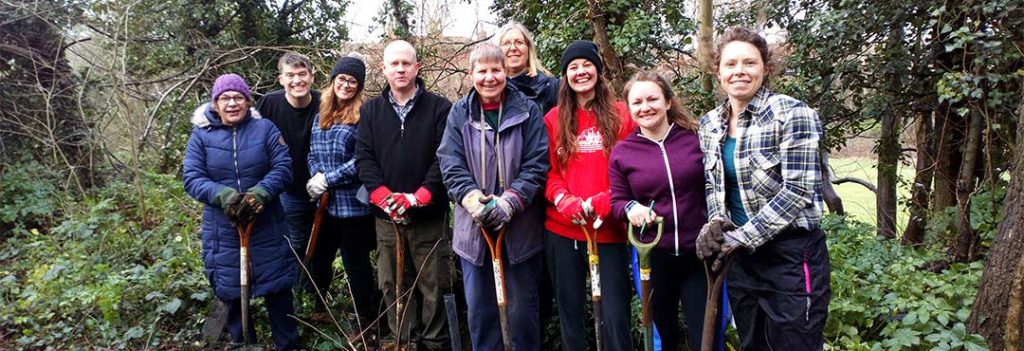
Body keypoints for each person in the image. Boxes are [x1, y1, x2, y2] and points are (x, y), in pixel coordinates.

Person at [696, 27, 831, 350]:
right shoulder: (710, 124)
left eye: (749, 63)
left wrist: (741, 237)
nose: (739, 71)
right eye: (730, 64)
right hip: (741, 260)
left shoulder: (793, 114)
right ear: (719, 72)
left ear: (765, 68)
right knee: (751, 342)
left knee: (795, 343)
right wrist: (715, 224)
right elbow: (715, 186)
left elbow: (798, 190)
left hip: (791, 256)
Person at [437, 41, 549, 350]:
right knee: (482, 314)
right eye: (482, 70)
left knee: (522, 313)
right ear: (471, 73)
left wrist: (510, 201)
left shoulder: (528, 110)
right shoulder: (459, 112)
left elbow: (537, 163)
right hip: (474, 235)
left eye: (496, 70)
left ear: (506, 72)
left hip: (520, 234)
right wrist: (473, 199)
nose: (490, 77)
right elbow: (450, 163)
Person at [183, 73, 299, 350]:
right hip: (223, 229)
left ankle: (289, 345)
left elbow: (283, 167)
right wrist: (223, 196)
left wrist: (261, 193)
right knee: (232, 291)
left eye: (238, 97)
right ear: (215, 104)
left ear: (247, 101)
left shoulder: (266, 129)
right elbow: (192, 177)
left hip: (267, 224)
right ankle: (242, 342)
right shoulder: (201, 136)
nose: (232, 103)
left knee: (278, 291)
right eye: (225, 98)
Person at [354, 40, 453, 351]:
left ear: (416, 68)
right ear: (384, 69)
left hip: (428, 216)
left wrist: (418, 197)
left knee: (434, 283)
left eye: (406, 63)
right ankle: (403, 341)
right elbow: (364, 158)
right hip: (387, 217)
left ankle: (435, 343)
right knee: (392, 283)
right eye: (394, 64)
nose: (400, 69)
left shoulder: (440, 108)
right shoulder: (370, 110)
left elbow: (445, 158)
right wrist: (386, 199)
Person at [609, 71, 711, 351]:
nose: (645, 107)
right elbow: (617, 200)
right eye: (637, 102)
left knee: (707, 336)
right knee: (663, 338)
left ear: (667, 101)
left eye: (652, 99)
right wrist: (632, 208)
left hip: (698, 256)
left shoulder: (695, 139)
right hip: (653, 259)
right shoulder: (622, 153)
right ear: (629, 109)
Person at [543, 40, 635, 351]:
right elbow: (549, 172)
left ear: (598, 69)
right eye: (573, 67)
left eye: (586, 65)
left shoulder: (623, 114)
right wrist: (564, 200)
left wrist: (606, 200)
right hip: (563, 231)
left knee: (614, 315)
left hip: (608, 231)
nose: (581, 72)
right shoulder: (554, 119)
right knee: (570, 316)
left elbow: (633, 169)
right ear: (565, 76)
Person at [304, 53, 383, 333]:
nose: (347, 85)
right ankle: (318, 309)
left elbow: (362, 160)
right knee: (319, 258)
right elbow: (313, 151)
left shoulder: (364, 115)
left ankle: (366, 317)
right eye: (342, 79)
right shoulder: (321, 113)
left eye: (353, 81)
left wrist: (328, 179)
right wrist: (316, 176)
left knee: (355, 264)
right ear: (333, 80)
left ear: (359, 86)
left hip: (353, 208)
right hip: (325, 206)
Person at [257, 51, 322, 267]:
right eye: (290, 75)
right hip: (289, 190)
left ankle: (317, 294)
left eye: (302, 74)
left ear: (312, 77)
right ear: (281, 79)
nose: (297, 80)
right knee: (294, 245)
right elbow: (252, 138)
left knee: (322, 247)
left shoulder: (325, 103)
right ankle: (297, 293)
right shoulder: (269, 104)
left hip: (324, 190)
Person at [495, 21, 560, 114]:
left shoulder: (551, 86)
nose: (513, 48)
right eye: (506, 43)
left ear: (528, 48)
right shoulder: (492, 89)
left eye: (519, 42)